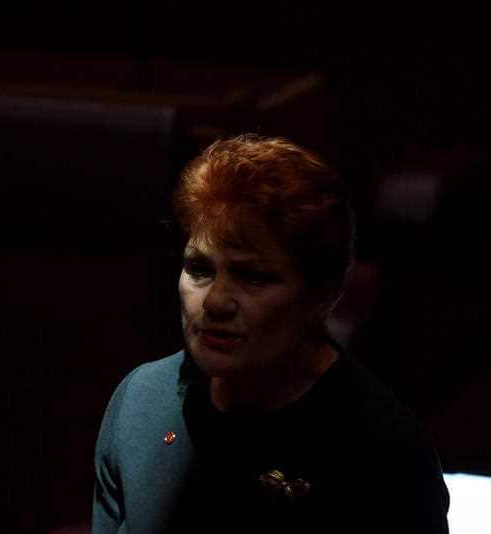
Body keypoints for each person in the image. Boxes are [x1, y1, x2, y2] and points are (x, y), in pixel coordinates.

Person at [91, 135, 450, 533]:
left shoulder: (383, 451)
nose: (215, 302)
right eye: (199, 269)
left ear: (321, 293)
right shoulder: (141, 403)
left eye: (253, 276)